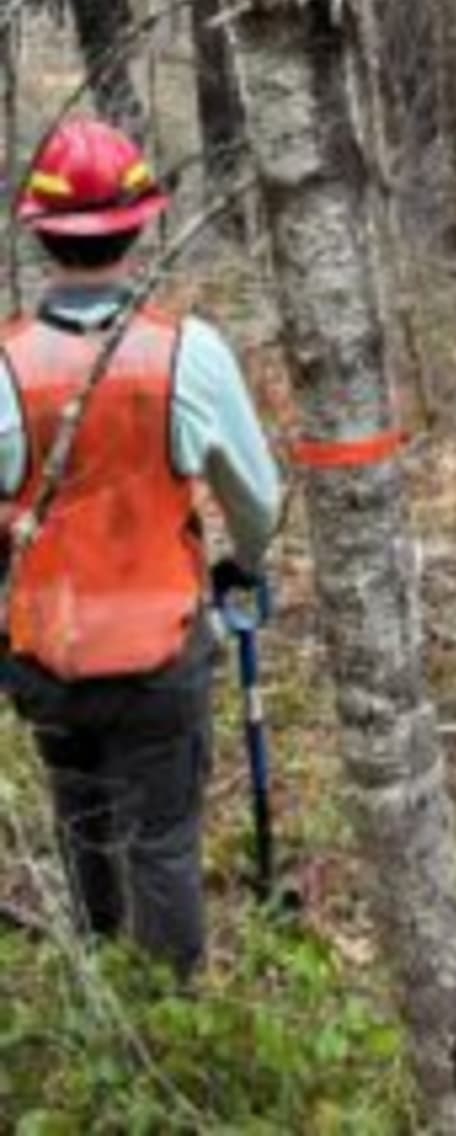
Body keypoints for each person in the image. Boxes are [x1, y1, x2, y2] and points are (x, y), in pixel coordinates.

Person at [0, 117, 281, 978]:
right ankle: (169, 1008)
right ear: (141, 225)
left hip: (44, 650)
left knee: (80, 814)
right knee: (162, 839)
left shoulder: (6, 365)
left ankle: (98, 968)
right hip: (161, 653)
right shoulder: (190, 353)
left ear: (39, 232)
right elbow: (258, 500)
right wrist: (244, 564)